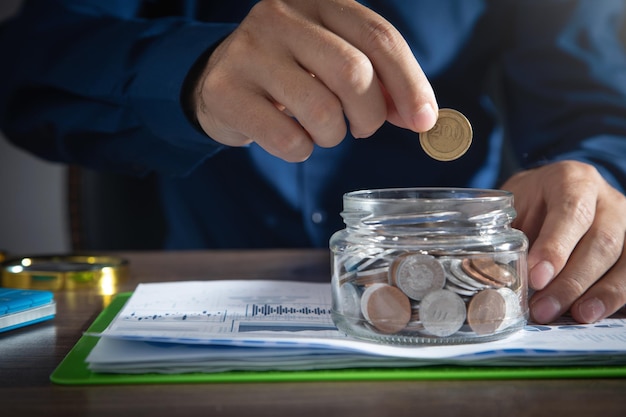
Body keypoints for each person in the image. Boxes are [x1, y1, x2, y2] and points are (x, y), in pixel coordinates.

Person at [0, 0, 625, 326]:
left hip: (451, 299)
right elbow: (28, 64)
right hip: (217, 293)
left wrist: (595, 173)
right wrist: (191, 71)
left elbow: (595, 100)